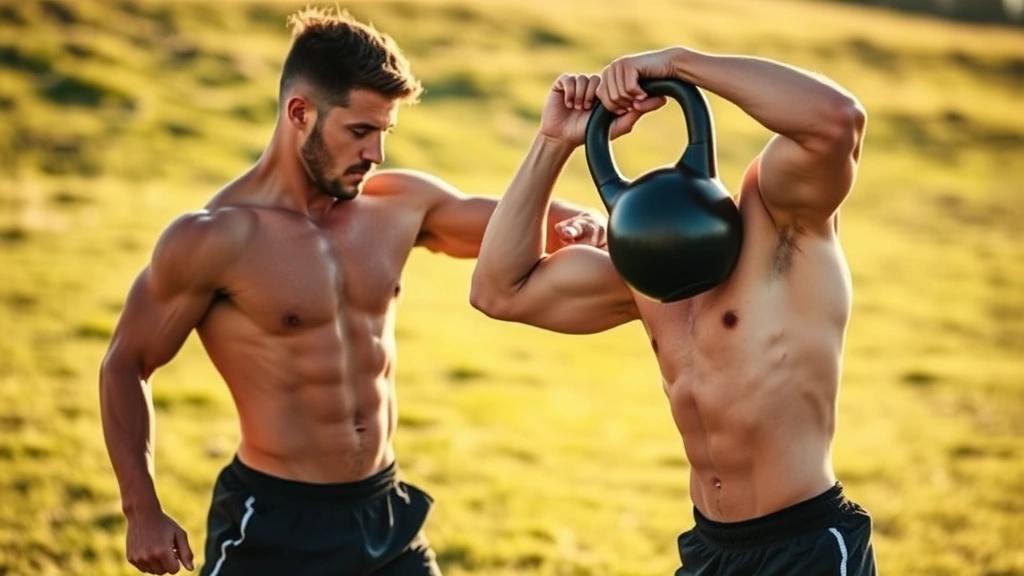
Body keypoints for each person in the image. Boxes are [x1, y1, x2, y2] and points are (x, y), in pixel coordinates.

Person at [98, 7, 606, 576]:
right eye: (360, 131)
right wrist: (141, 508)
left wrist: (586, 221)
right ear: (300, 113)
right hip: (274, 523)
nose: (376, 154)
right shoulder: (215, 238)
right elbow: (126, 363)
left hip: (383, 512)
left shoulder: (397, 207)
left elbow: (529, 220)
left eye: (384, 132)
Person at [470, 46, 877, 575]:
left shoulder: (784, 232)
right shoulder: (650, 275)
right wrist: (554, 142)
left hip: (804, 545)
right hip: (711, 548)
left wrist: (677, 65)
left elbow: (837, 119)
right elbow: (498, 291)